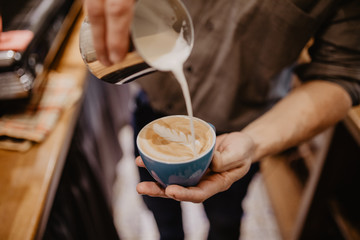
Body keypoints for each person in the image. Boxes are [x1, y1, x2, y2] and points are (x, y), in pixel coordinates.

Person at [83, 0, 360, 239]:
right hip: (151, 108)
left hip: (244, 129)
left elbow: (343, 72)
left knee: (225, 221)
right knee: (160, 210)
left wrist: (253, 141)